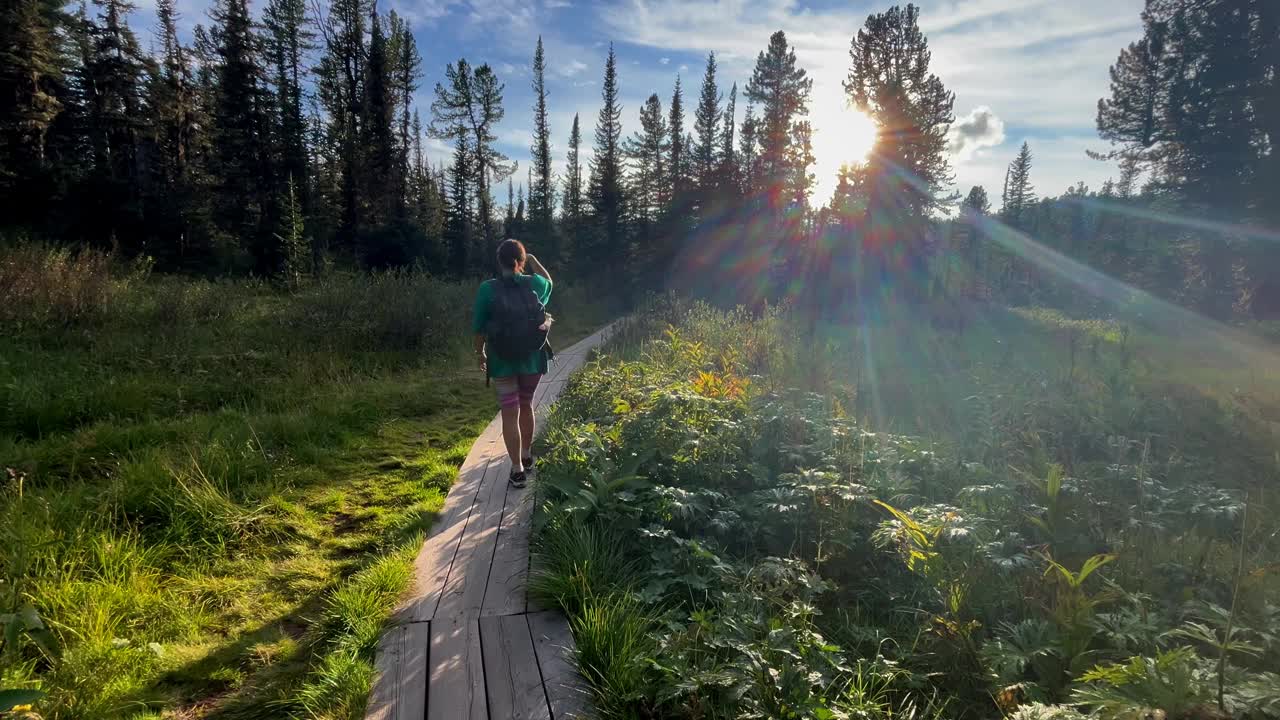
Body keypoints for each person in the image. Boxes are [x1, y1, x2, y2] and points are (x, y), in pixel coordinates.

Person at [473, 239, 553, 488]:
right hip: (532, 357)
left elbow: (478, 329)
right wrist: (535, 261)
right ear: (521, 261)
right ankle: (527, 456)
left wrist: (480, 353)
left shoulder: (487, 289)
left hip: (501, 359)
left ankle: (517, 470)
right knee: (526, 404)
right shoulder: (535, 283)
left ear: (499, 262)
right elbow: (550, 281)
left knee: (510, 411)